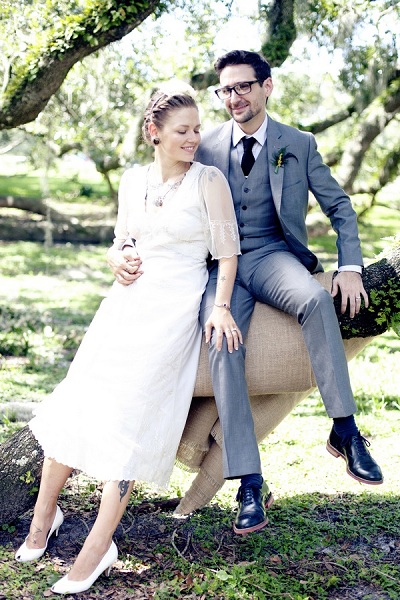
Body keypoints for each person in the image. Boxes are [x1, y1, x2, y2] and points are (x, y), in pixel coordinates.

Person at [15, 89, 242, 595]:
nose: (192, 138)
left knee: (131, 422)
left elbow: (227, 255)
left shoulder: (210, 181)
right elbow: (122, 239)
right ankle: (41, 521)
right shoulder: (132, 180)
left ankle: (99, 546)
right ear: (154, 133)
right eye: (181, 130)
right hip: (123, 305)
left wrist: (221, 306)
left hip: (174, 311)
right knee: (76, 403)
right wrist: (116, 258)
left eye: (196, 129)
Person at [192, 49, 383, 533]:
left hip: (275, 255)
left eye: (242, 87)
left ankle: (345, 430)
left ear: (266, 86)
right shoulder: (205, 146)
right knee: (222, 341)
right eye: (225, 90)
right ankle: (249, 483)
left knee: (317, 300)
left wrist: (351, 266)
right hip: (222, 266)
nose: (233, 97)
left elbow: (340, 207)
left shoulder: (297, 143)